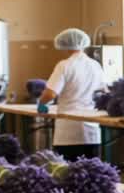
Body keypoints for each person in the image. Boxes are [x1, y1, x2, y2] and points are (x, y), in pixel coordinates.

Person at [37, 28, 107, 159]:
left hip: (68, 131)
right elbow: (104, 92)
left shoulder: (65, 65)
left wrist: (41, 103)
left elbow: (50, 94)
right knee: (92, 173)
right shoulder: (95, 65)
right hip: (92, 130)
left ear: (64, 46)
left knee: (69, 173)